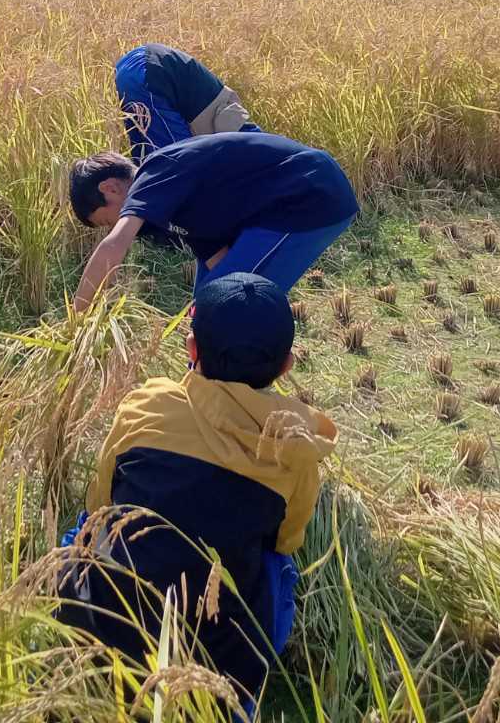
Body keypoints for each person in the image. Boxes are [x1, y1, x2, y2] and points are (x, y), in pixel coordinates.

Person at [55, 272, 337, 712]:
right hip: (212, 680)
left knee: (83, 530)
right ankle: (243, 699)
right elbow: (287, 541)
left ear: (191, 349)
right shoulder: (296, 447)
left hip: (97, 636)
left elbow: (101, 502)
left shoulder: (145, 405)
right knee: (280, 568)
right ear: (285, 366)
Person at [68, 131, 358, 310]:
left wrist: (78, 322)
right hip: (287, 207)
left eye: (107, 220)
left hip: (310, 194)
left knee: (224, 308)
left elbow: (114, 245)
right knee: (209, 311)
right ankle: (212, 390)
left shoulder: (154, 175)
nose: (114, 224)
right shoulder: (171, 210)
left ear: (110, 188)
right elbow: (216, 257)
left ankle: (240, 394)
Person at [115, 43, 258, 165]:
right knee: (176, 162)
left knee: (145, 158)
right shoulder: (253, 151)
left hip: (137, 65)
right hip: (151, 73)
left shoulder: (250, 141)